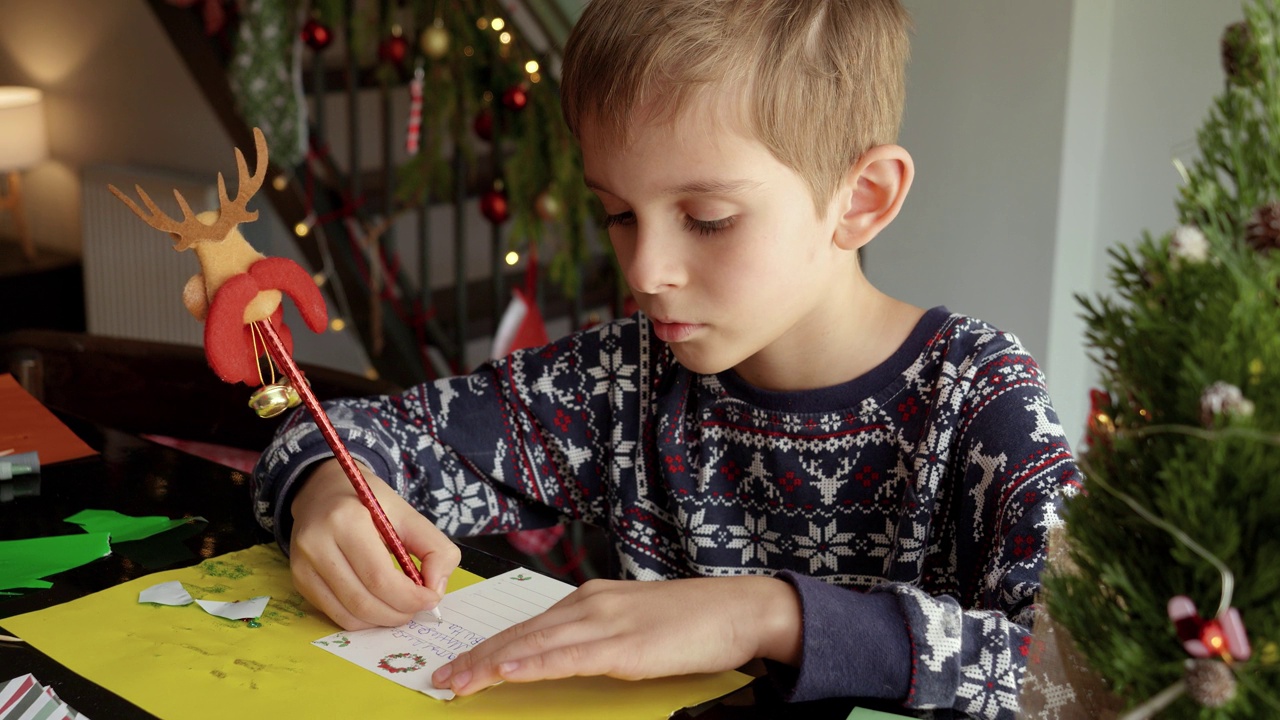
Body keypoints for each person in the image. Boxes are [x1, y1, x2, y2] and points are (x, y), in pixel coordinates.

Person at [252, 1, 1080, 717]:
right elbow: (343, 433)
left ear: (860, 199)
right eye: (617, 213)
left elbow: (1076, 679)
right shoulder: (625, 381)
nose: (645, 272)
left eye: (708, 217)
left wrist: (764, 615)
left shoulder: (979, 399)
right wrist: (327, 492)